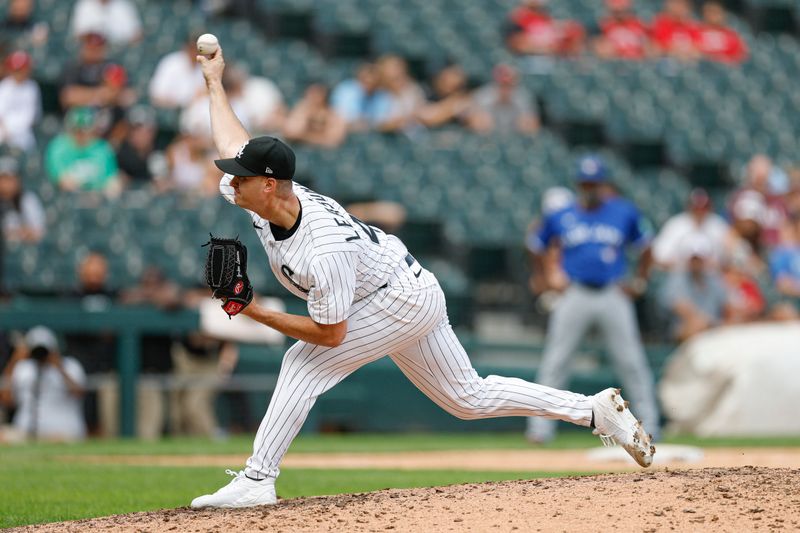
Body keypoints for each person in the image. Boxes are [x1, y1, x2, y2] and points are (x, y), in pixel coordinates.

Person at [188, 45, 656, 509]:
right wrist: (214, 81)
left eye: (242, 177)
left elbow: (331, 335)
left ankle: (257, 479)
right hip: (404, 287)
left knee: (302, 363)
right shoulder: (263, 197)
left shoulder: (322, 247)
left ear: (269, 184)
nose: (230, 180)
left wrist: (254, 311)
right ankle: (594, 411)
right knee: (467, 398)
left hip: (397, 299)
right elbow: (232, 141)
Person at [524, 155, 659, 445]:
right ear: (577, 184)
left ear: (603, 184)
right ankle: (539, 431)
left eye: (594, 183)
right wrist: (545, 279)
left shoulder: (622, 211)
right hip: (576, 293)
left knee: (631, 362)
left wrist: (639, 281)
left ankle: (652, 427)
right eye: (585, 183)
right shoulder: (562, 214)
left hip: (612, 292)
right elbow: (534, 244)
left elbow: (647, 246)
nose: (589, 188)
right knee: (556, 361)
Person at [0, 326, 86, 442]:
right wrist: (15, 360)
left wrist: (59, 367)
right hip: (25, 430)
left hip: (63, 431)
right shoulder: (23, 368)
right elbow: (6, 400)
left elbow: (79, 393)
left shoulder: (70, 365)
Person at [660, 236, 732, 342]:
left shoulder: (714, 279)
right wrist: (709, 324)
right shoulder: (676, 278)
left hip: (712, 327)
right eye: (693, 259)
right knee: (694, 327)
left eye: (699, 258)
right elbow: (683, 309)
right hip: (684, 330)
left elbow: (728, 306)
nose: (696, 263)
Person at [45, 106, 120, 194]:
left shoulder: (102, 148)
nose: (80, 134)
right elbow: (63, 181)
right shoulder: (59, 147)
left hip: (99, 201)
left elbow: (112, 180)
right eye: (76, 130)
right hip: (67, 200)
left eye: (84, 130)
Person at [651, 188, 729, 270]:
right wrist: (686, 265)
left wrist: (709, 265)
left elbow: (729, 257)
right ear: (689, 207)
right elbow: (659, 257)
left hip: (712, 276)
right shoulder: (676, 225)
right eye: (696, 207)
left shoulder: (718, 225)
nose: (700, 211)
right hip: (680, 275)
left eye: (704, 207)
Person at [468, 64, 539, 135]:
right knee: (482, 120)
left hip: (515, 136)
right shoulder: (483, 96)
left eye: (509, 85)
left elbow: (533, 125)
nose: (505, 90)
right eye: (502, 85)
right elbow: (473, 122)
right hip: (489, 137)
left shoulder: (523, 96)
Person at [148, 32, 206, 110]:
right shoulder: (172, 63)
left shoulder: (204, 66)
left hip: (196, 111)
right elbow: (157, 95)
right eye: (192, 47)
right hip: (172, 109)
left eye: (198, 49)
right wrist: (181, 103)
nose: (195, 51)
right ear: (186, 47)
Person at [505, 0, 585, 56]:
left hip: (551, 49)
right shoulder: (519, 17)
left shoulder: (544, 16)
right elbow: (517, 43)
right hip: (534, 52)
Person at [283, 82, 347, 149]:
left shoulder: (334, 112)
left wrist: (304, 136)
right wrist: (305, 114)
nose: (313, 97)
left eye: (317, 94)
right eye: (311, 93)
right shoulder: (302, 108)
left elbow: (334, 141)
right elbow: (290, 133)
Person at [331, 62, 391, 132]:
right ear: (359, 78)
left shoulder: (382, 96)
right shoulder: (345, 90)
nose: (369, 85)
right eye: (366, 81)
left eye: (373, 82)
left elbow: (383, 121)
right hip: (346, 132)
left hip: (372, 134)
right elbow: (341, 118)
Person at [0, 50, 41, 151]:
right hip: (4, 130)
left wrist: (12, 131)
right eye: (16, 69)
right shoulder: (4, 86)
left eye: (21, 69)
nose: (19, 73)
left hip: (24, 132)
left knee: (26, 142)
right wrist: (5, 131)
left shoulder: (32, 87)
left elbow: (30, 118)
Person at [0, 156, 45, 243]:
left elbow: (39, 232)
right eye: (3, 179)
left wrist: (21, 232)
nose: (6, 184)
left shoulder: (28, 200)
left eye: (10, 179)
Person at [416, 63, 473, 129]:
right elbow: (427, 118)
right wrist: (449, 106)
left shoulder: (463, 100)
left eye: (455, 87)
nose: (448, 88)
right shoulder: (424, 90)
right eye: (444, 81)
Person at [70, 0, 142, 46]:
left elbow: (137, 36)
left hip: (118, 50)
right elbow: (77, 35)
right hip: (94, 49)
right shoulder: (84, 4)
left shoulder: (124, 5)